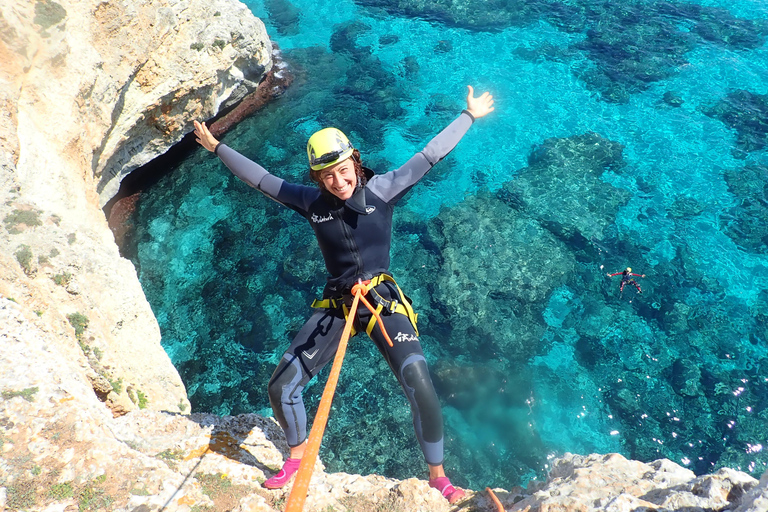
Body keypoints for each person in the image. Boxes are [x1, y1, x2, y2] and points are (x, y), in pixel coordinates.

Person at [193, 85, 494, 504]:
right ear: (317, 178)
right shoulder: (310, 202)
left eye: (343, 170)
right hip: (337, 301)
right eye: (327, 176)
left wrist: (468, 115)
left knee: (420, 384)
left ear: (355, 161)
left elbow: (429, 156)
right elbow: (261, 179)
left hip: (380, 298)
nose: (338, 182)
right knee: (282, 386)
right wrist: (217, 147)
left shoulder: (383, 189)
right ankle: (297, 460)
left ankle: (438, 478)